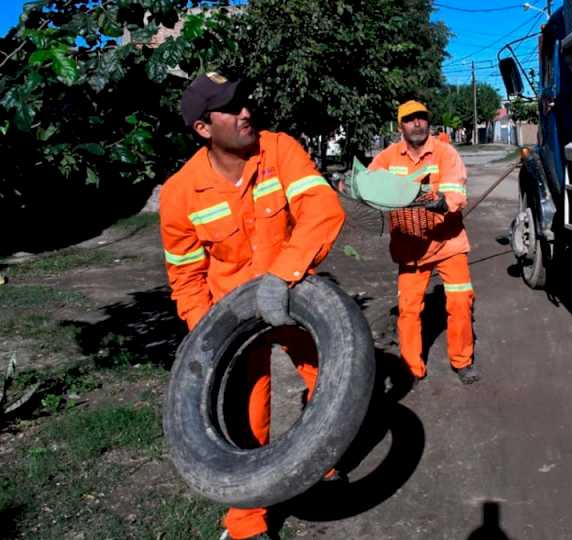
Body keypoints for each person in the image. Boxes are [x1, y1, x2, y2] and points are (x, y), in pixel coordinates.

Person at [159, 72, 345, 540]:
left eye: (246, 102)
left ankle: (317, 456)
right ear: (203, 128)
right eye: (231, 107)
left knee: (331, 379)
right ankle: (246, 524)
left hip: (294, 297)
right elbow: (185, 275)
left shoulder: (279, 150)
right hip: (232, 315)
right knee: (245, 411)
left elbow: (322, 208)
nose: (246, 112)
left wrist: (282, 276)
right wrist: (210, 338)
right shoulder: (181, 193)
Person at [368, 100, 480, 386]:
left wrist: (445, 201)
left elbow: (456, 186)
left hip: (447, 242)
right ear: (400, 125)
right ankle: (411, 367)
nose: (416, 123)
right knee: (408, 308)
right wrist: (353, 185)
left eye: (421, 118)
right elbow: (369, 182)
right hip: (411, 247)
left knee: (459, 300)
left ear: (428, 122)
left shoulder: (445, 153)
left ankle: (462, 360)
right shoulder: (388, 157)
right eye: (409, 119)